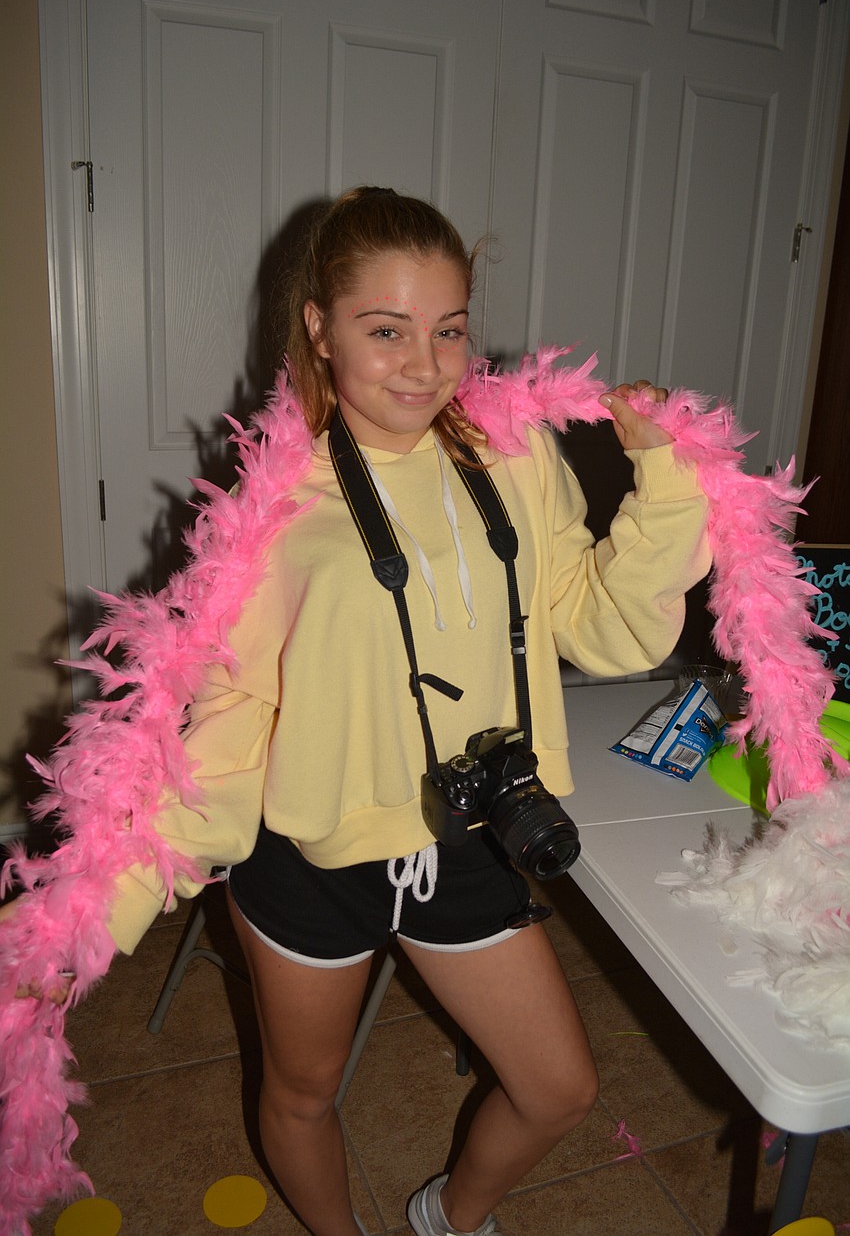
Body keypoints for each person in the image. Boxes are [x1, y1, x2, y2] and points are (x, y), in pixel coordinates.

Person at [9, 186, 711, 1236]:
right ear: (319, 329)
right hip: (309, 855)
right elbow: (229, 724)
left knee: (557, 1087)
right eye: (385, 331)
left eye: (448, 331)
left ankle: (450, 1217)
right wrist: (90, 920)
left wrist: (665, 486)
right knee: (302, 1093)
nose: (424, 365)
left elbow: (609, 629)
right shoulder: (275, 504)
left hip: (462, 832)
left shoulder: (512, 460)